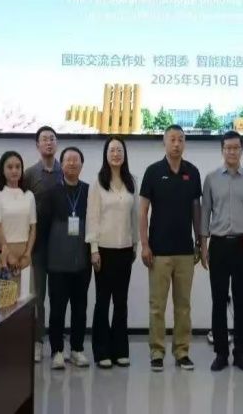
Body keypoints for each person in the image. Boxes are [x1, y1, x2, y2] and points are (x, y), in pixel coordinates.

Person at [201, 131, 243, 372]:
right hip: (218, 245)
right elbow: (205, 213)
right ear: (222, 150)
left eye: (236, 147)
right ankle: (220, 353)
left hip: (242, 246)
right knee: (218, 301)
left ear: (241, 150)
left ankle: (240, 353)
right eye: (228, 147)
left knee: (241, 302)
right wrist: (203, 246)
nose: (232, 151)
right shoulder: (211, 179)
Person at [139, 125, 202, 372]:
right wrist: (145, 245)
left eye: (181, 140)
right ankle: (156, 352)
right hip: (158, 252)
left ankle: (182, 352)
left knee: (183, 306)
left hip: (185, 251)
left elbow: (196, 210)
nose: (176, 144)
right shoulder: (153, 172)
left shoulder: (192, 172)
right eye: (172, 139)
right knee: (157, 306)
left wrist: (200, 241)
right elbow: (143, 211)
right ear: (164, 143)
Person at [87, 136, 138, 369]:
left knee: (121, 301)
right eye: (112, 150)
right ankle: (102, 351)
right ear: (106, 154)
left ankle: (120, 350)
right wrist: (93, 249)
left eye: (119, 150)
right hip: (103, 251)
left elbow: (134, 216)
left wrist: (135, 244)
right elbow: (92, 218)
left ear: (124, 154)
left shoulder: (131, 182)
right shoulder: (97, 183)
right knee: (102, 302)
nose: (116, 154)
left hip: (125, 249)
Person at [39, 147, 91, 370]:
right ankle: (57, 351)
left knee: (80, 307)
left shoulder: (88, 191)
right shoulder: (51, 193)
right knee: (57, 308)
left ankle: (77, 349)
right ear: (62, 164)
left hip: (82, 261)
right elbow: (43, 228)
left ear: (81, 164)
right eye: (68, 160)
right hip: (57, 261)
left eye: (76, 160)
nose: (72, 163)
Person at [24, 125, 61, 362]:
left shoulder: (64, 171)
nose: (48, 142)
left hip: (59, 246)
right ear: (37, 145)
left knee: (58, 297)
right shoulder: (29, 174)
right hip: (37, 246)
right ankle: (37, 341)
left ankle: (57, 346)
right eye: (44, 139)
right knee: (37, 298)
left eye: (52, 139)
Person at [0, 151, 36, 284]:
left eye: (18, 167)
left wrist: (27, 254)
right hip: (3, 251)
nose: (14, 170)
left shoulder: (29, 195)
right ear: (3, 170)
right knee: (2, 294)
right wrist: (8, 254)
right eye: (10, 167)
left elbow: (33, 228)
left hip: (24, 252)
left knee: (25, 294)